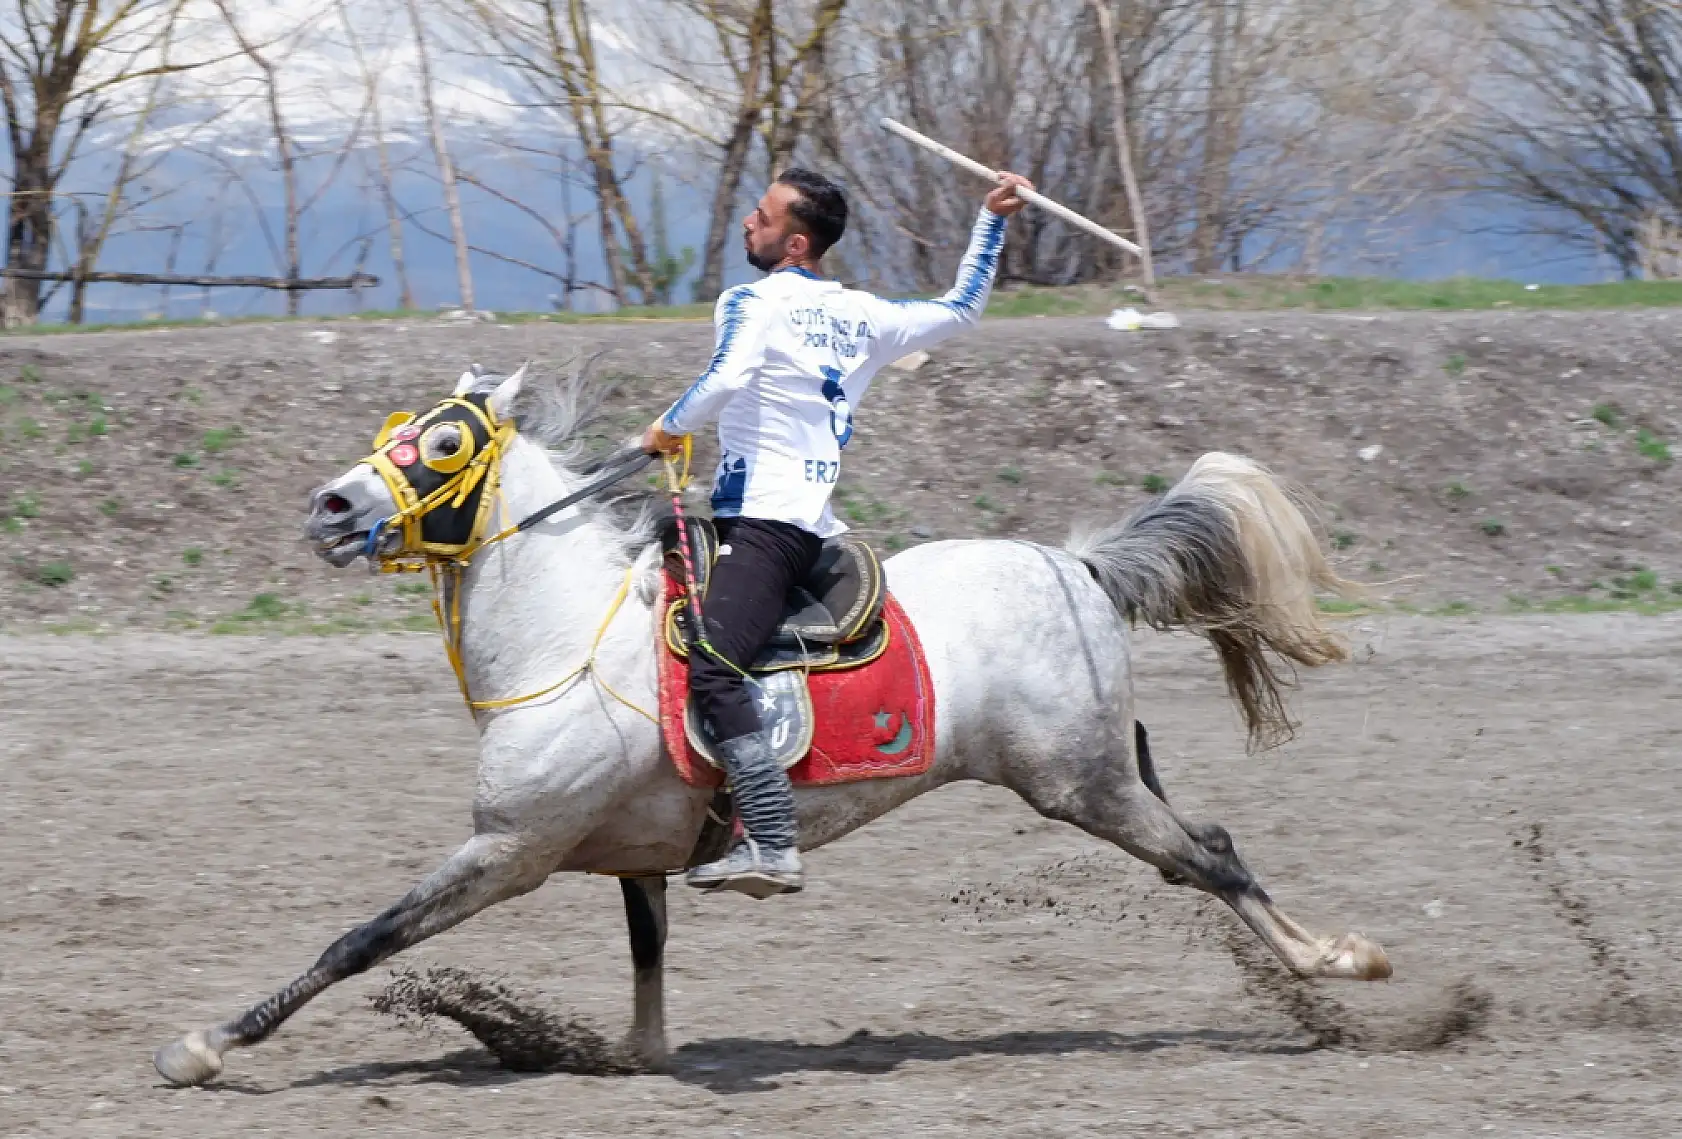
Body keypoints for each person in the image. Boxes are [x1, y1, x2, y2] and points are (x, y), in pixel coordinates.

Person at [642, 166, 1033, 897]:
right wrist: (991, 220)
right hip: (801, 524)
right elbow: (962, 308)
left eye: (760, 217)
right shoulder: (866, 314)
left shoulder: (749, 300)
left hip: (763, 524)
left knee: (714, 664)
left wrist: (664, 428)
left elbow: (726, 379)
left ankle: (771, 838)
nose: (746, 224)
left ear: (794, 243)